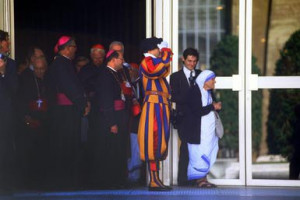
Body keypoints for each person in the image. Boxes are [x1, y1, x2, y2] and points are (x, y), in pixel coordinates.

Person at [45, 36, 90, 189]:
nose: (76, 49)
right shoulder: (61, 64)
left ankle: (68, 181)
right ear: (67, 48)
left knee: (69, 145)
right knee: (66, 145)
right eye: (74, 47)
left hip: (67, 111)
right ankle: (65, 182)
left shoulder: (64, 63)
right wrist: (82, 103)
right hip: (65, 113)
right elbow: (70, 87)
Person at [90, 50, 129, 188]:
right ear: (113, 59)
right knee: (111, 151)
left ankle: (118, 180)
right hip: (110, 119)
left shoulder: (115, 74)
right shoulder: (105, 75)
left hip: (118, 116)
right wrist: (112, 122)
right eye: (121, 59)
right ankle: (111, 181)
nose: (122, 61)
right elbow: (106, 100)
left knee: (118, 150)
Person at [138, 37, 173, 191]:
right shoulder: (147, 62)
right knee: (153, 141)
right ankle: (153, 180)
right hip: (153, 105)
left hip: (160, 104)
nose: (160, 50)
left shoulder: (154, 61)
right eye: (158, 47)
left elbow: (164, 70)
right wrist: (166, 54)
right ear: (152, 48)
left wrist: (165, 57)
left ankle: (156, 179)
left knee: (159, 141)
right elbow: (156, 70)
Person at [183, 69, 221, 188]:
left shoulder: (209, 93)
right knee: (199, 153)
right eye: (212, 79)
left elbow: (210, 108)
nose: (214, 81)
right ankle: (200, 180)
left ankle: (204, 178)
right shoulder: (195, 91)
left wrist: (215, 106)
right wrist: (212, 106)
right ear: (205, 81)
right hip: (198, 131)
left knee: (207, 152)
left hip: (208, 131)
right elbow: (197, 111)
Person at [170, 47, 201, 186]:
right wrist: (190, 97)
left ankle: (196, 179)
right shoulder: (175, 77)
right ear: (183, 59)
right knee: (185, 148)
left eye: (194, 61)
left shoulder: (201, 74)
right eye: (189, 61)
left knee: (197, 149)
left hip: (198, 117)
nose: (192, 64)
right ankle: (183, 180)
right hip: (183, 117)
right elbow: (174, 97)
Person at [17, 57, 49, 188]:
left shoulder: (47, 81)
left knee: (43, 153)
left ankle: (41, 181)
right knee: (29, 152)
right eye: (37, 69)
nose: (40, 72)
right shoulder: (27, 81)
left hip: (45, 122)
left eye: (42, 69)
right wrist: (26, 117)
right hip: (30, 120)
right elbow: (21, 100)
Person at [0, 52, 18, 193]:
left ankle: (5, 184)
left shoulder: (10, 64)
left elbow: (14, 89)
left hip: (4, 115)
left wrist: (3, 72)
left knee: (4, 150)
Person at [127, 63, 144, 185]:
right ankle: (130, 177)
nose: (131, 73)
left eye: (133, 70)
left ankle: (135, 178)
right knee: (131, 150)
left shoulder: (141, 84)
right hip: (129, 122)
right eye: (129, 71)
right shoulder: (127, 85)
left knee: (137, 150)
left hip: (139, 123)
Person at [289, 104, 300, 180]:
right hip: (297, 153)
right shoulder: (297, 123)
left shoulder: (297, 124)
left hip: (298, 153)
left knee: (294, 168)